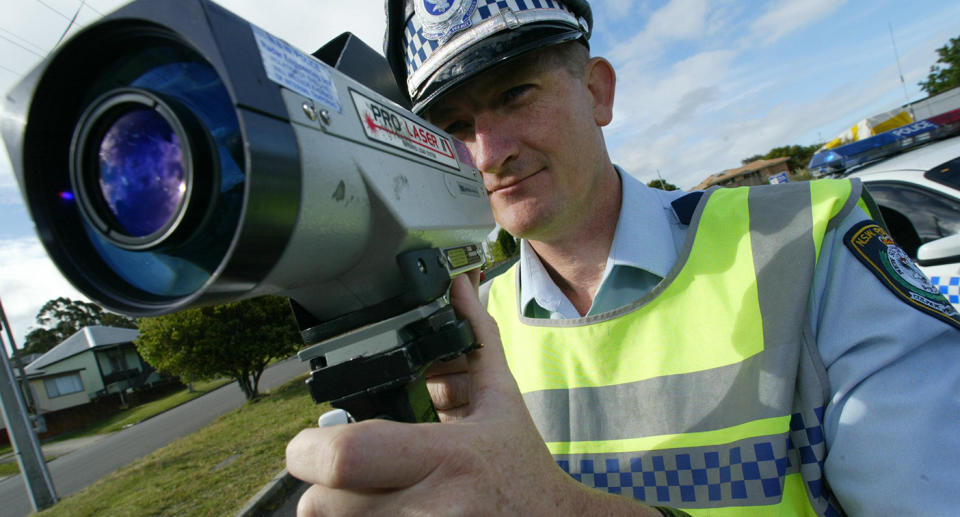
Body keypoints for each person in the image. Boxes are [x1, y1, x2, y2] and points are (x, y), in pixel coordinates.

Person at [286, 1, 960, 515]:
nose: (489, 152)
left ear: (598, 91)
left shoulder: (810, 243)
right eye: (456, 127)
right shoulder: (466, 327)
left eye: (514, 94)